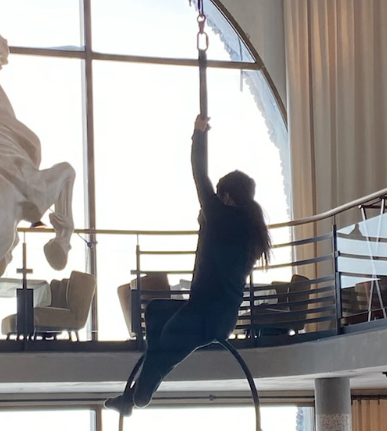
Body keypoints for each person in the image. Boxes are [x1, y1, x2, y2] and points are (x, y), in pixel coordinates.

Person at [107, 116, 269, 414]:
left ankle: (139, 395)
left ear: (227, 197)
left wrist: (199, 134)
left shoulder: (225, 218)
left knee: (168, 340)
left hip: (208, 316)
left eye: (217, 197)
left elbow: (199, 175)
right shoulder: (247, 228)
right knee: (155, 311)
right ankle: (137, 394)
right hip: (212, 313)